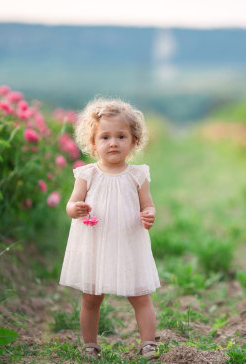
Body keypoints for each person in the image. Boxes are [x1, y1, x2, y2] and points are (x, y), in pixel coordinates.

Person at [59, 97, 160, 361]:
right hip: (96, 241)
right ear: (93, 144)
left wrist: (149, 214)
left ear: (133, 141)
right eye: (105, 137)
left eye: (121, 136)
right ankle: (90, 344)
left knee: (140, 294)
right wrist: (76, 209)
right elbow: (71, 204)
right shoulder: (87, 174)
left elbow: (148, 205)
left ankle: (148, 343)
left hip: (128, 241)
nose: (113, 142)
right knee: (91, 297)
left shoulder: (137, 175)